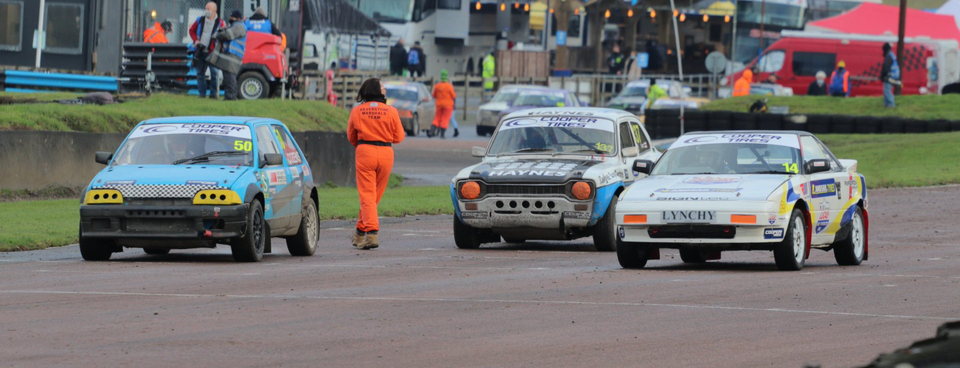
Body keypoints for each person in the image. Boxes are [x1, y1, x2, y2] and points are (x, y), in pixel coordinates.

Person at [347, 78, 406, 249]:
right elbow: (399, 137)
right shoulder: (392, 111)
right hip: (386, 153)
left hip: (365, 151)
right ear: (376, 90)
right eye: (382, 86)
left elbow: (351, 137)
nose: (385, 89)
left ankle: (371, 233)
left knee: (367, 197)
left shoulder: (357, 111)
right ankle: (359, 233)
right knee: (373, 198)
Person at [189, 2, 225, 99]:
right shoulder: (200, 20)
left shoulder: (220, 23)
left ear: (214, 11)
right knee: (200, 74)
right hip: (200, 51)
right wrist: (196, 40)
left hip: (212, 52)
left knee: (214, 73)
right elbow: (191, 30)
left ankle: (213, 94)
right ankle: (202, 94)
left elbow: (224, 35)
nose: (206, 11)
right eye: (206, 8)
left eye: (208, 9)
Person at [214, 10, 246, 101]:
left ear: (238, 18)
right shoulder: (236, 26)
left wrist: (219, 34)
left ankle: (230, 97)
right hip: (231, 54)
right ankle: (230, 96)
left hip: (233, 55)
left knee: (230, 77)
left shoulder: (239, 26)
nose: (230, 19)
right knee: (228, 76)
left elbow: (228, 35)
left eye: (232, 18)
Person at [430, 70, 456, 138]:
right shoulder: (449, 86)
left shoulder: (437, 86)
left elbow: (433, 95)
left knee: (437, 118)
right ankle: (442, 134)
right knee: (445, 119)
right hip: (448, 105)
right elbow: (453, 96)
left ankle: (431, 131)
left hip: (439, 104)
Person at [880, 43, 900, 108]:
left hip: (889, 76)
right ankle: (886, 104)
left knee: (887, 91)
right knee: (887, 90)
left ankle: (891, 105)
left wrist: (882, 76)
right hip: (894, 76)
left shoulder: (888, 56)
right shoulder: (892, 55)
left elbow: (886, 67)